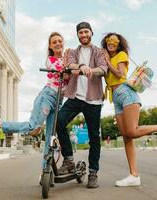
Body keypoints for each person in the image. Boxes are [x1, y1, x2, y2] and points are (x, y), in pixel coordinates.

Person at [101, 32, 157, 187]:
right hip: (116, 98)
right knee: (126, 137)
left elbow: (119, 74)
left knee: (132, 131)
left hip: (126, 94)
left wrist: (107, 61)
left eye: (114, 41)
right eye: (108, 41)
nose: (110, 43)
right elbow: (107, 78)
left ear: (119, 44)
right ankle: (134, 175)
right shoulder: (107, 59)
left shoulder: (121, 55)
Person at [0, 32, 70, 170]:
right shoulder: (51, 60)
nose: (58, 43)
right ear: (50, 46)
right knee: (33, 126)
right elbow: (64, 73)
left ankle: (45, 171)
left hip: (59, 100)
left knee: (50, 138)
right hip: (48, 96)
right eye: (54, 42)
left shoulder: (68, 58)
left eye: (60, 41)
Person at [56, 22, 108, 189]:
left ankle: (93, 173)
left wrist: (91, 70)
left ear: (91, 32)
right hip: (75, 96)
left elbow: (103, 69)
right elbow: (69, 65)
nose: (84, 35)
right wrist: (81, 66)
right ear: (78, 35)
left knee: (94, 138)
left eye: (86, 32)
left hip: (93, 100)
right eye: (80, 33)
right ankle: (69, 159)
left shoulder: (99, 52)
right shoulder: (73, 52)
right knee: (59, 121)